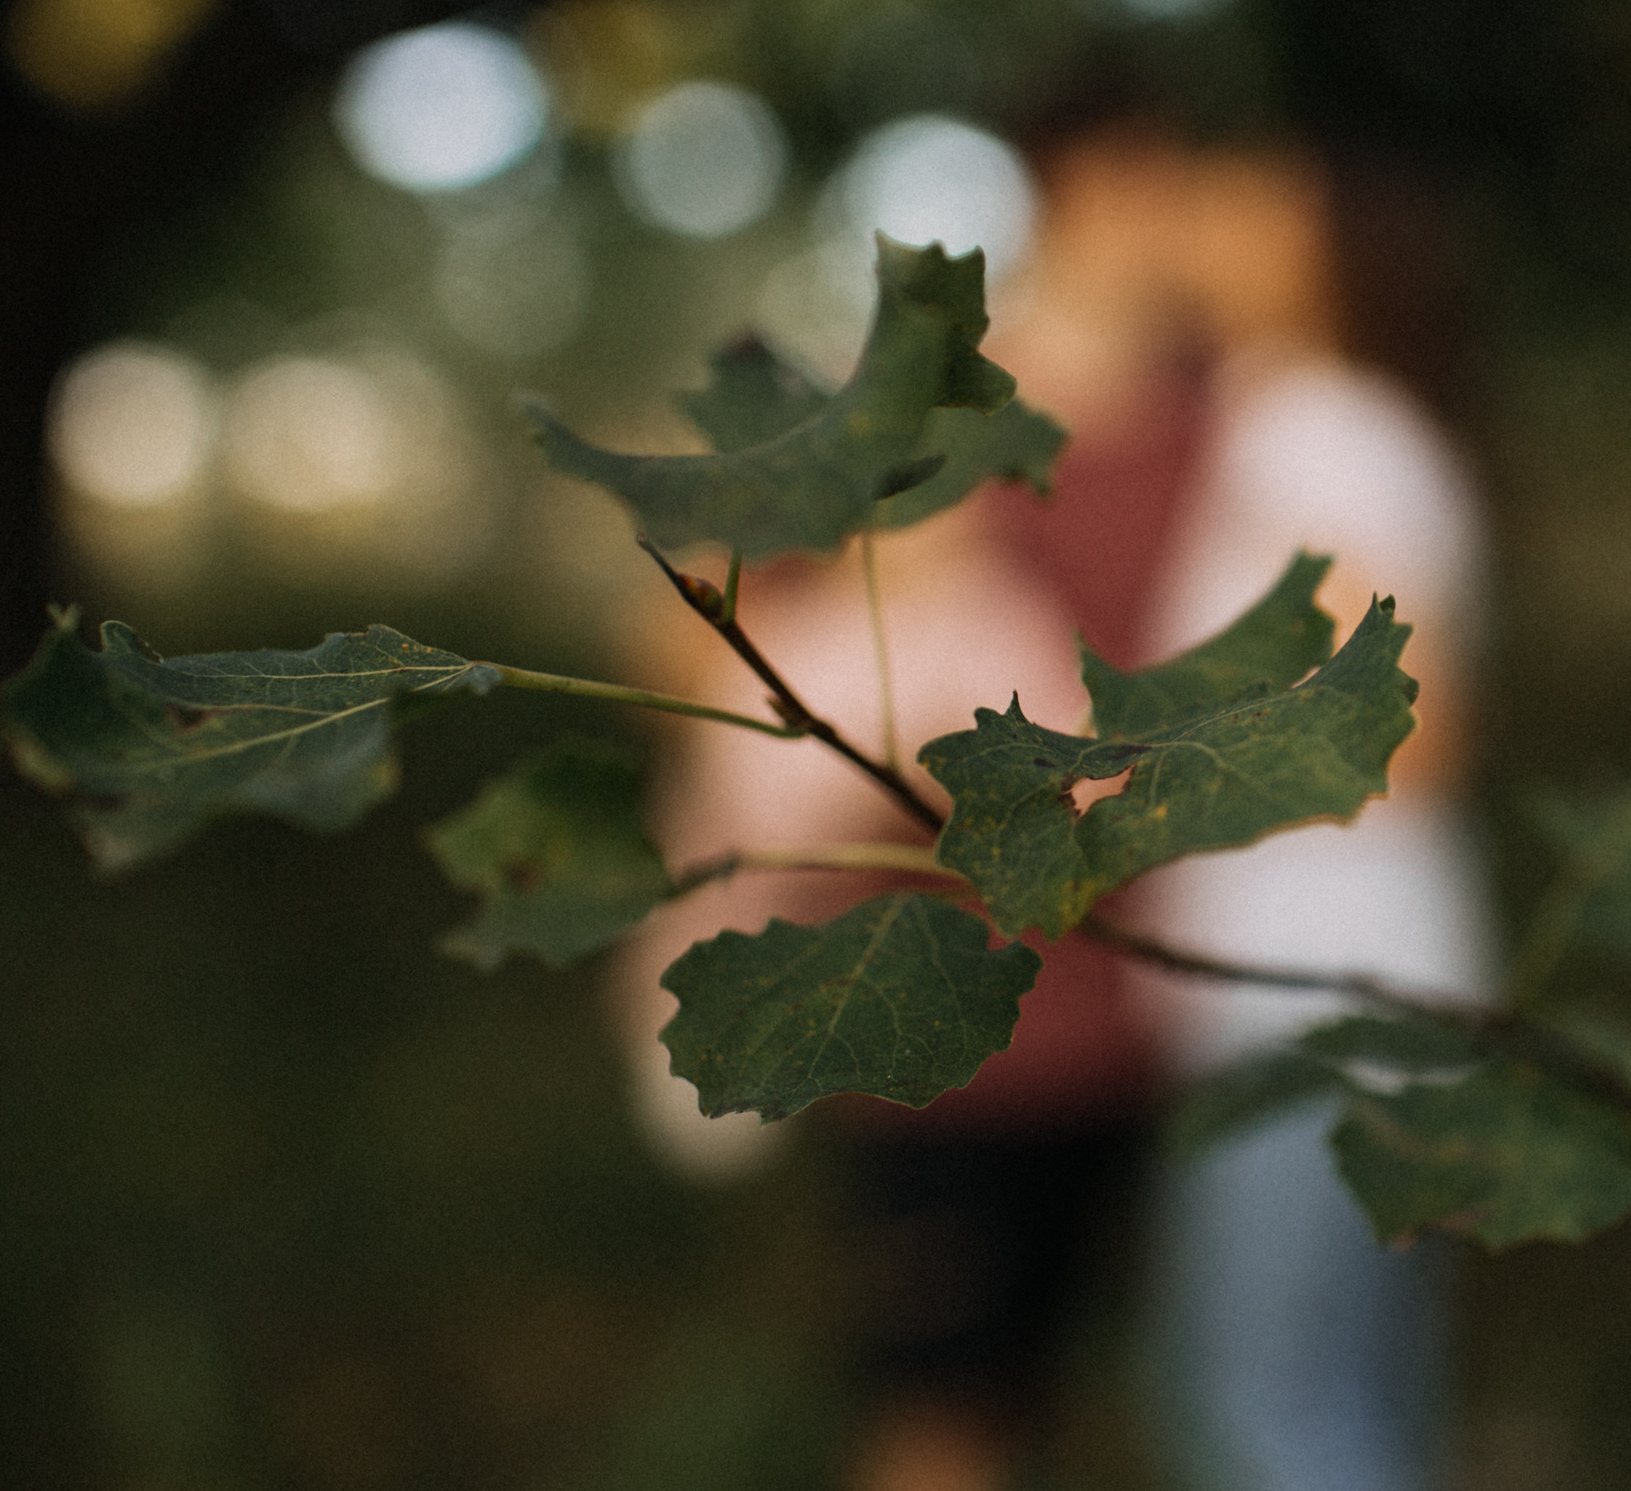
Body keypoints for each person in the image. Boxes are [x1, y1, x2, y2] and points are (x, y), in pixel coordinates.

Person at [607, 123, 1491, 1491]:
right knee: (1018, 1407)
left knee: (1266, 1412)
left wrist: (1129, 779)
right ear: (1060, 202)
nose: (1183, 227)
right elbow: (689, 631)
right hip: (976, 1042)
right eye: (1153, 193)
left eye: (1207, 193)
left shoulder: (1279, 425)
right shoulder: (956, 410)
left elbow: (1415, 727)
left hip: (1191, 1014)